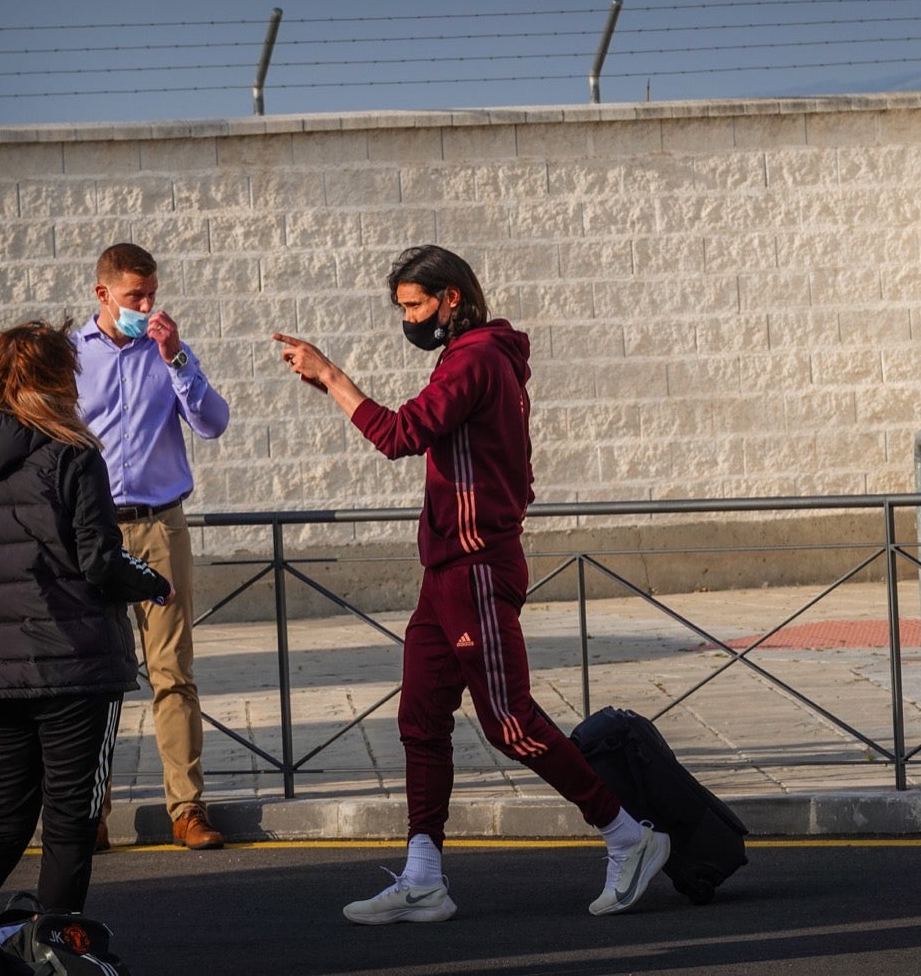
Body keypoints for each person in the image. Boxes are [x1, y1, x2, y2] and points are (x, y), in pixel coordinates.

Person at [275, 244, 670, 923]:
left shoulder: (475, 361)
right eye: (402, 307)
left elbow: (400, 434)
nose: (409, 318)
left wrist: (332, 377)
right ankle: (424, 875)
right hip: (447, 570)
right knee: (420, 720)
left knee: (510, 722)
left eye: (416, 305)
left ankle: (627, 836)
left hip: (476, 567)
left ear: (451, 297)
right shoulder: (479, 361)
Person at [0, 320, 171, 969]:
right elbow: (99, 560)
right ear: (60, 376)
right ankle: (57, 957)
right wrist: (154, 581)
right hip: (70, 662)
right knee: (69, 820)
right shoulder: (71, 449)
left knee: (1, 822)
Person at [73, 242, 228, 850]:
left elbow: (214, 423)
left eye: (152, 294)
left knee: (172, 672)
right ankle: (90, 812)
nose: (146, 306)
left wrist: (177, 358)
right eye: (135, 296)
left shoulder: (168, 351)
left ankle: (186, 809)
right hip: (93, 531)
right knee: (94, 676)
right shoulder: (67, 356)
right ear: (103, 294)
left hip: (161, 526)